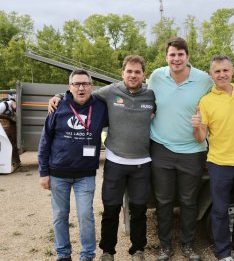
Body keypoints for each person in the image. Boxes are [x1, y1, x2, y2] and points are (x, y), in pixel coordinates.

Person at [49, 55, 156, 261]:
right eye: (129, 71)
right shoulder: (109, 92)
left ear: (144, 74)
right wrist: (59, 95)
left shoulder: (151, 96)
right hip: (115, 161)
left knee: (139, 209)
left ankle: (138, 249)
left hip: (142, 163)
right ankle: (108, 251)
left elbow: (158, 110)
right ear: (122, 72)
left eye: (137, 72)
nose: (133, 75)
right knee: (111, 209)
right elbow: (82, 92)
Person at [147, 37, 213, 261]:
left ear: (187, 57)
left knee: (188, 201)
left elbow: (222, 95)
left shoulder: (203, 79)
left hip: (193, 150)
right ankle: (165, 246)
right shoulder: (156, 76)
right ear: (166, 57)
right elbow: (137, 94)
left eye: (180, 54)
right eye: (172, 55)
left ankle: (188, 245)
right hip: (161, 148)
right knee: (163, 201)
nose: (176, 59)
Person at [192, 55, 234, 261]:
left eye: (225, 70)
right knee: (219, 210)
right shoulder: (206, 101)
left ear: (232, 71)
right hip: (220, 163)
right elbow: (201, 137)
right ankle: (223, 253)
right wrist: (196, 127)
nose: (222, 74)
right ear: (211, 75)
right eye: (217, 71)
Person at [38, 69, 109, 261]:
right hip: (58, 173)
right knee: (60, 216)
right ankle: (63, 254)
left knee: (86, 215)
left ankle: (87, 255)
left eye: (85, 84)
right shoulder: (58, 106)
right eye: (76, 84)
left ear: (91, 86)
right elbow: (45, 141)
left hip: (85, 175)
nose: (81, 88)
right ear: (70, 87)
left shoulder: (101, 107)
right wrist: (43, 172)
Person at [0, 95, 21, 169]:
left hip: (9, 129)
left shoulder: (12, 108)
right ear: (13, 101)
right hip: (3, 128)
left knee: (13, 146)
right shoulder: (4, 105)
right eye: (16, 105)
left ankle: (16, 163)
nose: (16, 108)